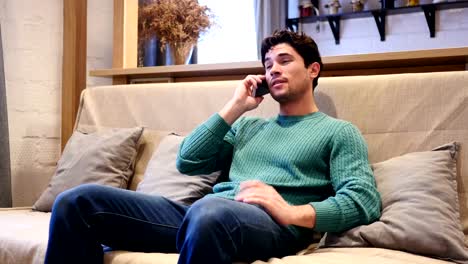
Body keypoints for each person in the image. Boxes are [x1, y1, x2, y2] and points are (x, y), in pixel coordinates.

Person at [44, 30, 381, 264]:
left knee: (208, 214)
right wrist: (235, 107)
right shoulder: (249, 125)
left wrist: (291, 212)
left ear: (313, 69)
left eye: (284, 60)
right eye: (267, 65)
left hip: (269, 225)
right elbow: (188, 160)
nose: (273, 68)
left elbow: (363, 201)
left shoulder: (338, 132)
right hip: (207, 217)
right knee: (77, 202)